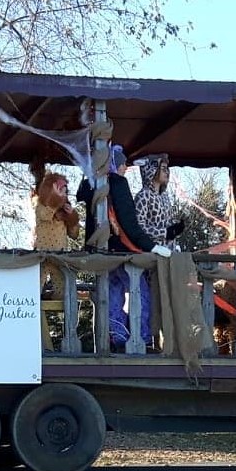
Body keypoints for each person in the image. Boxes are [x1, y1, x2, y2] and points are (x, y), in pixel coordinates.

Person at [75, 144, 170, 351]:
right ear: (115, 165)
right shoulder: (117, 183)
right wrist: (152, 246)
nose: (125, 167)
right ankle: (141, 339)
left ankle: (118, 337)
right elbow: (130, 224)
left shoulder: (93, 185)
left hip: (101, 253)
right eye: (123, 163)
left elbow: (81, 198)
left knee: (112, 297)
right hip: (123, 251)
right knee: (140, 294)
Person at [33, 172, 80, 299]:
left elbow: (74, 234)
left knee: (63, 292)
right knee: (34, 289)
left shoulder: (64, 212)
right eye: (60, 191)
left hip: (59, 257)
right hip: (42, 256)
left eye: (65, 192)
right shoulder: (41, 206)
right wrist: (55, 200)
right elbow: (44, 215)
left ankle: (58, 306)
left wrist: (72, 217)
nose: (63, 195)